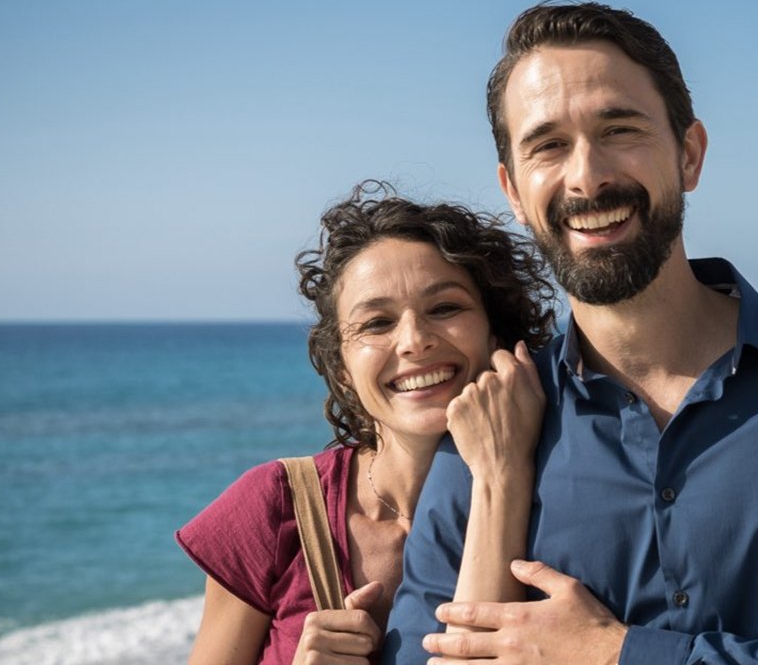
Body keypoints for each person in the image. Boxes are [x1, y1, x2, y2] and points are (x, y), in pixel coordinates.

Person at [384, 1, 758, 664]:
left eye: (620, 129)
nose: (587, 174)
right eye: (549, 145)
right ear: (514, 193)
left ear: (689, 155)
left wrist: (618, 654)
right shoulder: (484, 435)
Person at [177, 182, 556, 664]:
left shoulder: (559, 493)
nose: (415, 341)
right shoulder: (274, 507)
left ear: (496, 334)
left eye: (444, 308)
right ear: (342, 369)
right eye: (377, 323)